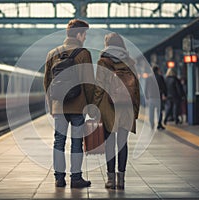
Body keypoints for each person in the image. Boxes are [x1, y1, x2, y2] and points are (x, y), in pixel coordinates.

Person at [44, 19, 95, 188]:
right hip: (78, 105)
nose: (85, 37)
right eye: (85, 34)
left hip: (59, 106)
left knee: (58, 141)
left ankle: (59, 178)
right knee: (76, 142)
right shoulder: (83, 53)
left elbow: (47, 82)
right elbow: (88, 82)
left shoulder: (53, 53)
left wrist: (52, 105)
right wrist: (91, 106)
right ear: (79, 34)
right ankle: (76, 178)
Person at [92, 33, 140, 190]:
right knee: (122, 144)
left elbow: (99, 87)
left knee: (110, 143)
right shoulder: (130, 62)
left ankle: (111, 179)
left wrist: (95, 108)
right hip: (126, 108)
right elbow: (136, 89)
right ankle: (121, 180)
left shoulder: (103, 62)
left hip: (108, 107)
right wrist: (136, 110)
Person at [145, 65, 167, 130]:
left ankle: (152, 124)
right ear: (157, 70)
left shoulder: (148, 78)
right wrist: (165, 94)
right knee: (159, 111)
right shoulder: (160, 77)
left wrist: (146, 96)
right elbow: (164, 87)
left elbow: (146, 88)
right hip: (158, 97)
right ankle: (159, 124)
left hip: (151, 97)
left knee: (151, 112)